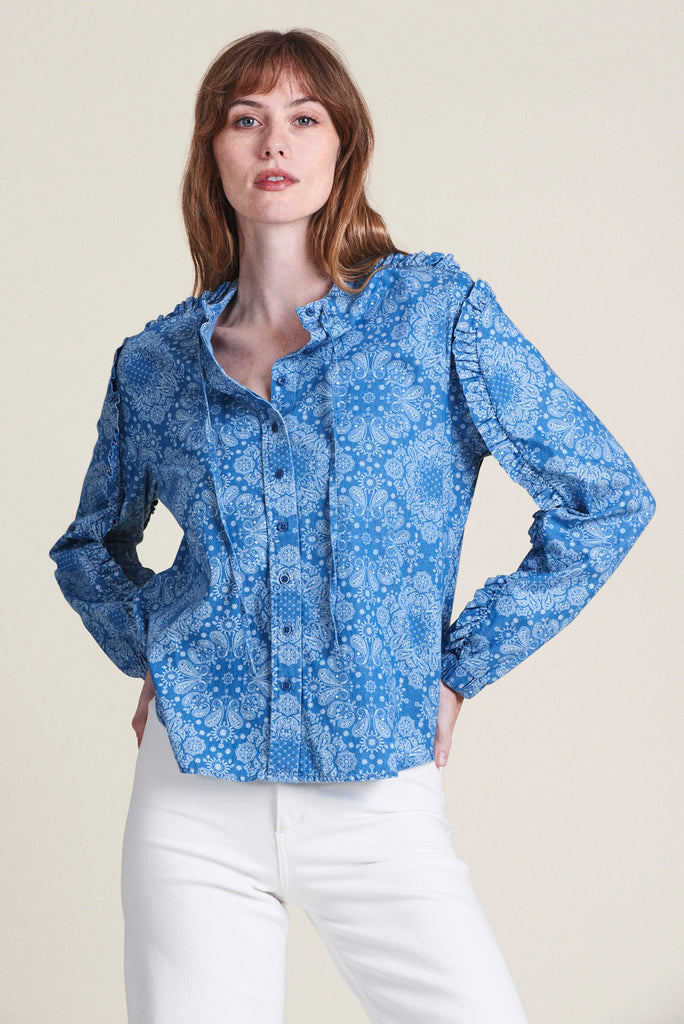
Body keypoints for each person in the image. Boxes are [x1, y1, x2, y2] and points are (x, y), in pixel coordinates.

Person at [49, 27, 655, 1024]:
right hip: (191, 800)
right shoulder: (155, 363)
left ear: (343, 149)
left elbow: (606, 496)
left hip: (377, 795)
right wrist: (153, 648)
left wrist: (461, 666)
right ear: (213, 153)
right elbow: (90, 546)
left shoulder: (436, 316)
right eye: (244, 119)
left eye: (304, 118)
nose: (273, 142)